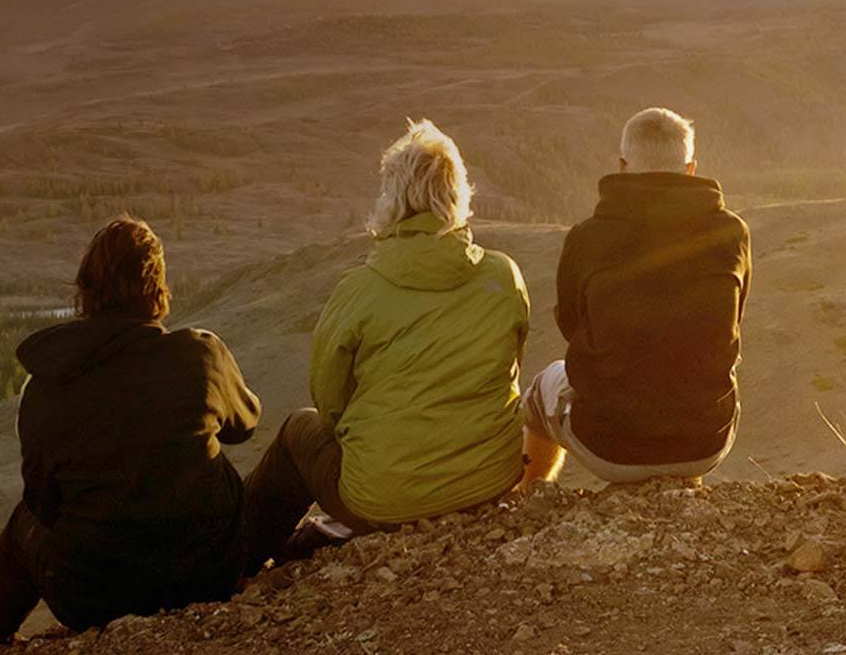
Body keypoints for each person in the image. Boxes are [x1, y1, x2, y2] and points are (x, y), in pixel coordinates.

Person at [238, 119, 529, 572]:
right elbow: (509, 368)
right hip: (490, 479)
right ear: (459, 195)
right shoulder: (503, 274)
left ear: (392, 198)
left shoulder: (361, 288)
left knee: (300, 428)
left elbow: (330, 403)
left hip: (383, 498)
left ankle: (238, 564)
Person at [0, 216, 263, 643]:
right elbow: (245, 426)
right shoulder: (200, 355)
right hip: (209, 573)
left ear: (86, 291)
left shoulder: (47, 385)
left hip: (93, 596)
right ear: (158, 291)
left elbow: (42, 498)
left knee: (22, 523)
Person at [521, 107, 750, 487]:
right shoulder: (732, 233)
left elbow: (571, 325)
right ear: (691, 168)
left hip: (608, 448)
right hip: (707, 443)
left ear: (624, 166)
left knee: (540, 391)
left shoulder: (586, 238)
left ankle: (527, 497)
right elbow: (732, 318)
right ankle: (684, 483)